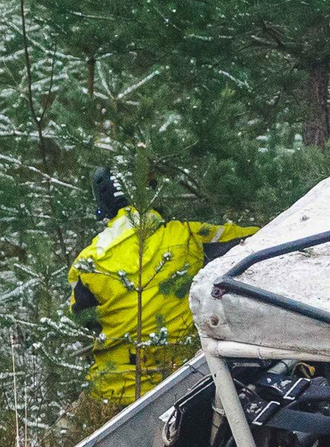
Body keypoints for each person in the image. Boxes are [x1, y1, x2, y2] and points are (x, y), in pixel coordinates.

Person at [70, 168, 258, 405]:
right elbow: (254, 239)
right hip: (184, 379)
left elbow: (82, 318)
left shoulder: (87, 262)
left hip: (114, 389)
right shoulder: (188, 236)